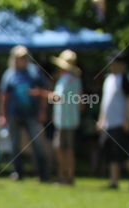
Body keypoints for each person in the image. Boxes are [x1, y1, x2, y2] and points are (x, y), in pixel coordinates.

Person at [0, 45, 50, 182]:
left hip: (33, 114)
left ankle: (43, 174)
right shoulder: (9, 74)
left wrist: (42, 111)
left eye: (24, 57)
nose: (21, 60)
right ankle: (18, 172)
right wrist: (3, 115)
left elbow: (44, 92)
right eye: (19, 58)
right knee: (14, 144)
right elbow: (4, 96)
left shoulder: (34, 72)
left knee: (38, 144)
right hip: (13, 114)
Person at [97, 51, 129, 189]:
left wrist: (127, 119)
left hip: (120, 122)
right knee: (111, 153)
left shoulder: (125, 78)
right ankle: (114, 181)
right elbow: (105, 102)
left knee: (123, 154)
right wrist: (101, 119)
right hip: (109, 123)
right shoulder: (109, 79)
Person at [48, 50, 83, 185]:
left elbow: (58, 97)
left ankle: (65, 177)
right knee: (67, 149)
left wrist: (43, 94)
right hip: (71, 120)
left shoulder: (65, 79)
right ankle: (68, 176)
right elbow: (80, 103)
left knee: (63, 150)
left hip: (64, 121)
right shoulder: (76, 80)